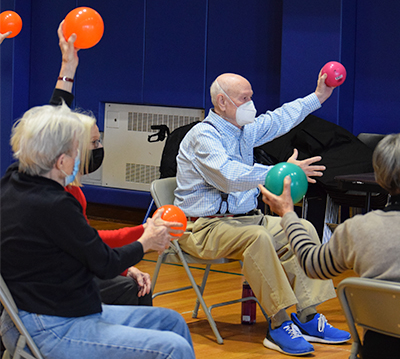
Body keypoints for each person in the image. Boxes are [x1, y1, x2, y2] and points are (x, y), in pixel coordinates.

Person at [174, 72, 350, 356]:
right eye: (245, 98)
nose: (251, 104)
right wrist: (281, 172)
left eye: (251, 97)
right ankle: (279, 323)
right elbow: (228, 176)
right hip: (202, 228)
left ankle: (308, 316)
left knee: (301, 227)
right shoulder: (203, 136)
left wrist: (318, 96)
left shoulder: (244, 130)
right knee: (257, 237)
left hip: (245, 220)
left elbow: (281, 118)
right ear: (222, 101)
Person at [0, 103, 195, 359]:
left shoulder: (14, 179)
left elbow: (89, 249)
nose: (82, 158)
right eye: (76, 152)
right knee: (174, 347)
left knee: (172, 322)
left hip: (60, 312)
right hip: (52, 326)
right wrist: (146, 241)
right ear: (61, 161)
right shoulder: (55, 205)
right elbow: (104, 264)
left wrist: (67, 71)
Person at [259, 133, 400, 359]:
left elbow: (311, 264)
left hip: (379, 348)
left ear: (380, 176)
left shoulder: (358, 229)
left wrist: (287, 214)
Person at [53, 21, 152, 306]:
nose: (99, 148)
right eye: (93, 143)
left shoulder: (70, 188)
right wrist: (146, 236)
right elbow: (89, 244)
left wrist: (69, 66)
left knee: (133, 283)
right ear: (67, 152)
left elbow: (85, 245)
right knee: (134, 291)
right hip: (54, 292)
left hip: (69, 271)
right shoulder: (52, 197)